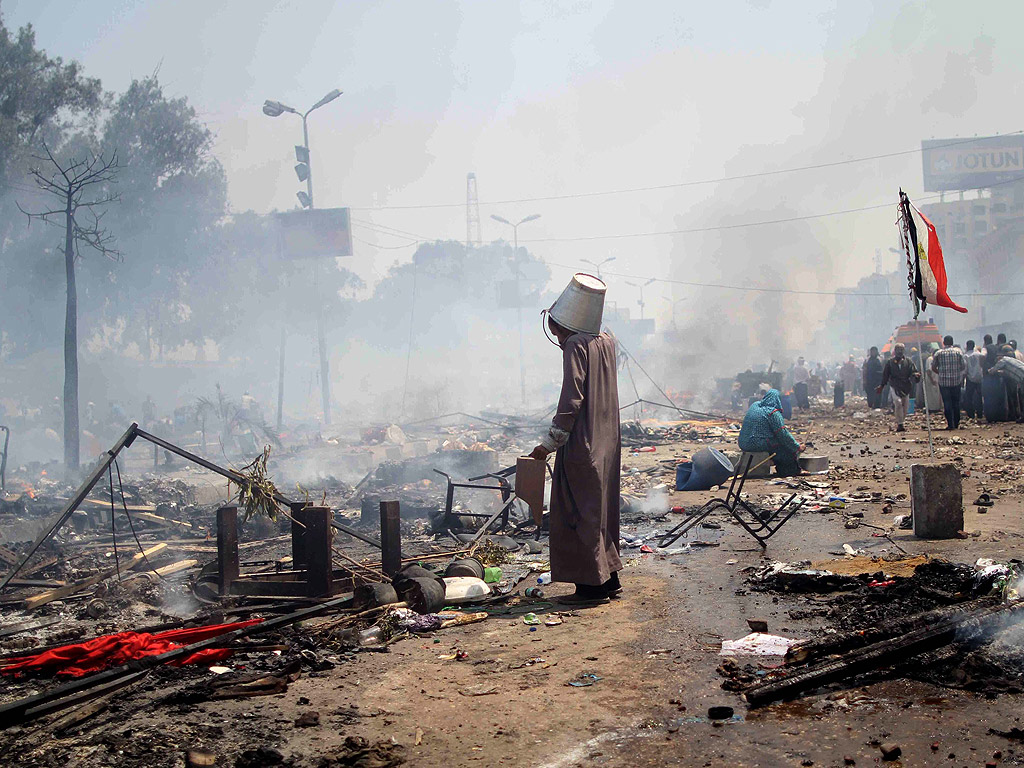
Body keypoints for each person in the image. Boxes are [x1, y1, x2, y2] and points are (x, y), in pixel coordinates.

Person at [529, 274, 621, 605]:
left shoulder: (575, 345)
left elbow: (572, 399)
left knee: (579, 513)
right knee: (601, 512)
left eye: (556, 328)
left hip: (582, 443)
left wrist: (548, 444)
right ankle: (609, 578)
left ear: (561, 325)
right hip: (607, 441)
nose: (556, 334)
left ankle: (590, 588)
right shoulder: (606, 340)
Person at [738, 389, 804, 476]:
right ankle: (790, 471)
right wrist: (797, 446)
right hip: (756, 443)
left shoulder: (755, 405)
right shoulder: (773, 413)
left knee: (777, 443)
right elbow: (783, 434)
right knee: (785, 449)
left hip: (743, 442)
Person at [878, 343, 920, 432]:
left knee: (905, 406)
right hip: (895, 385)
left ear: (904, 351)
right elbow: (885, 375)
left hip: (906, 386)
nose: (900, 351)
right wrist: (882, 385)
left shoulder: (909, 361)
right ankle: (900, 424)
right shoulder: (890, 362)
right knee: (898, 402)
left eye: (901, 349)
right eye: (898, 349)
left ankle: (901, 421)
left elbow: (913, 371)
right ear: (895, 351)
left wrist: (916, 375)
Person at [931, 335, 967, 429]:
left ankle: (950, 424)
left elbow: (933, 367)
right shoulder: (958, 352)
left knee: (947, 403)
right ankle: (956, 423)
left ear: (944, 343)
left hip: (944, 382)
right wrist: (956, 371)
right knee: (956, 403)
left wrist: (941, 373)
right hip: (956, 381)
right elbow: (963, 366)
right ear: (952, 342)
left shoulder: (939, 353)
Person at [963, 340, 984, 420]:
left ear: (967, 346)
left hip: (970, 378)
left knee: (969, 397)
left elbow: (965, 369)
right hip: (979, 377)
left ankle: (971, 414)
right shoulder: (979, 354)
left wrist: (963, 379)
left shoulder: (966, 356)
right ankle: (979, 413)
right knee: (979, 396)